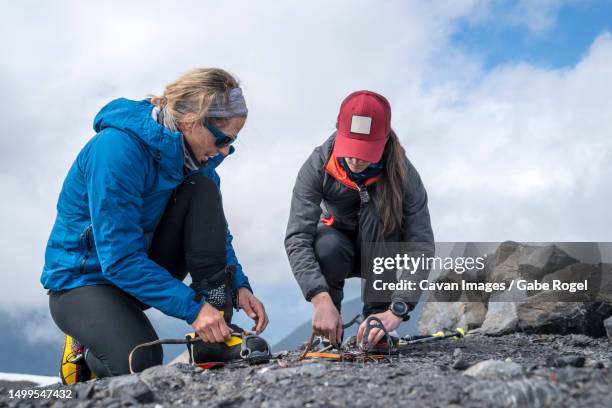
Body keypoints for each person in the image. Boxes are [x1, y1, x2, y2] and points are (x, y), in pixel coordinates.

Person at [41, 68, 269, 383]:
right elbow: (119, 259)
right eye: (223, 139)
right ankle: (85, 350)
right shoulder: (116, 150)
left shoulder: (197, 161)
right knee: (141, 362)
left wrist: (239, 285)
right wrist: (194, 310)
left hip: (140, 266)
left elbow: (214, 233)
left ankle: (213, 340)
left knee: (203, 191)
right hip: (84, 282)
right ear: (191, 121)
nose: (226, 151)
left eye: (233, 141)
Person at [285, 90, 434, 347]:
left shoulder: (405, 173)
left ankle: (376, 322)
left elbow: (420, 243)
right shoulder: (317, 165)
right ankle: (330, 329)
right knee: (325, 243)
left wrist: (397, 309)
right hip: (337, 250)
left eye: (365, 151)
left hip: (382, 252)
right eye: (350, 148)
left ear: (384, 140)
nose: (355, 159)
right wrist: (320, 299)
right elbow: (297, 235)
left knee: (380, 217)